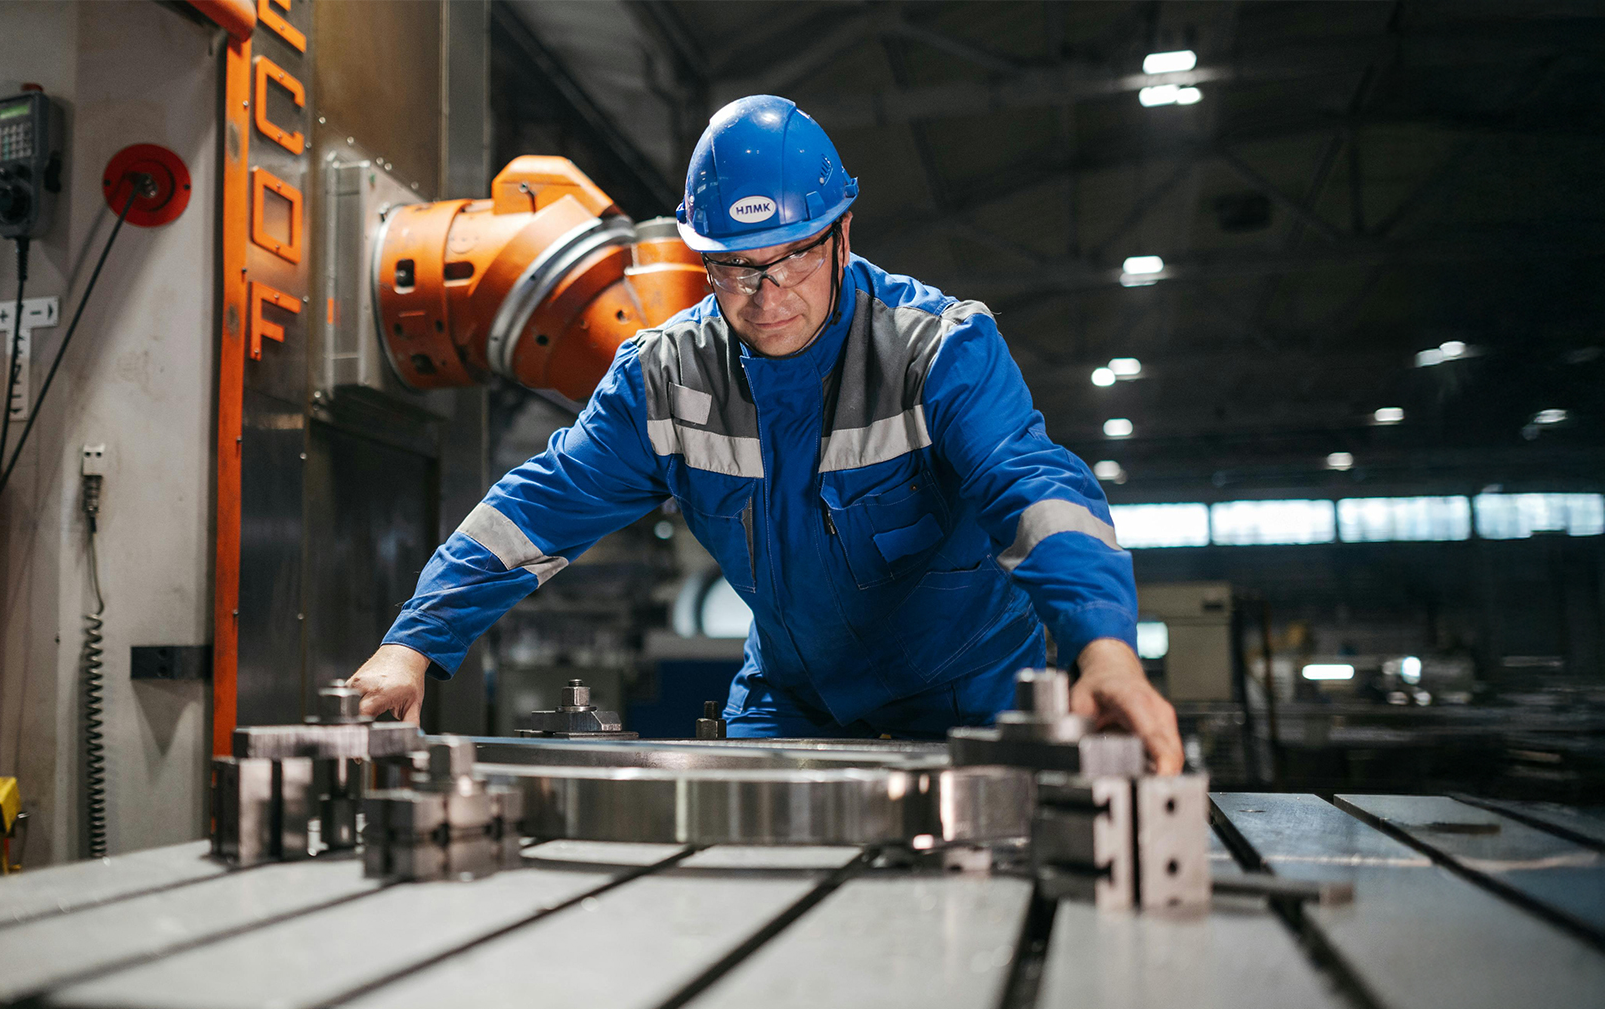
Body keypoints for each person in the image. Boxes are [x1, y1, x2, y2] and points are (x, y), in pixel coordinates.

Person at [350, 95, 1183, 773]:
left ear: (843, 234)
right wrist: (412, 644)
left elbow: (1035, 490)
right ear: (703, 260)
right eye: (737, 266)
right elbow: (537, 510)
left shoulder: (939, 350)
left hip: (974, 708)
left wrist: (1103, 649)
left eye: (794, 258)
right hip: (792, 702)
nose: (767, 293)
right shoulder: (664, 380)